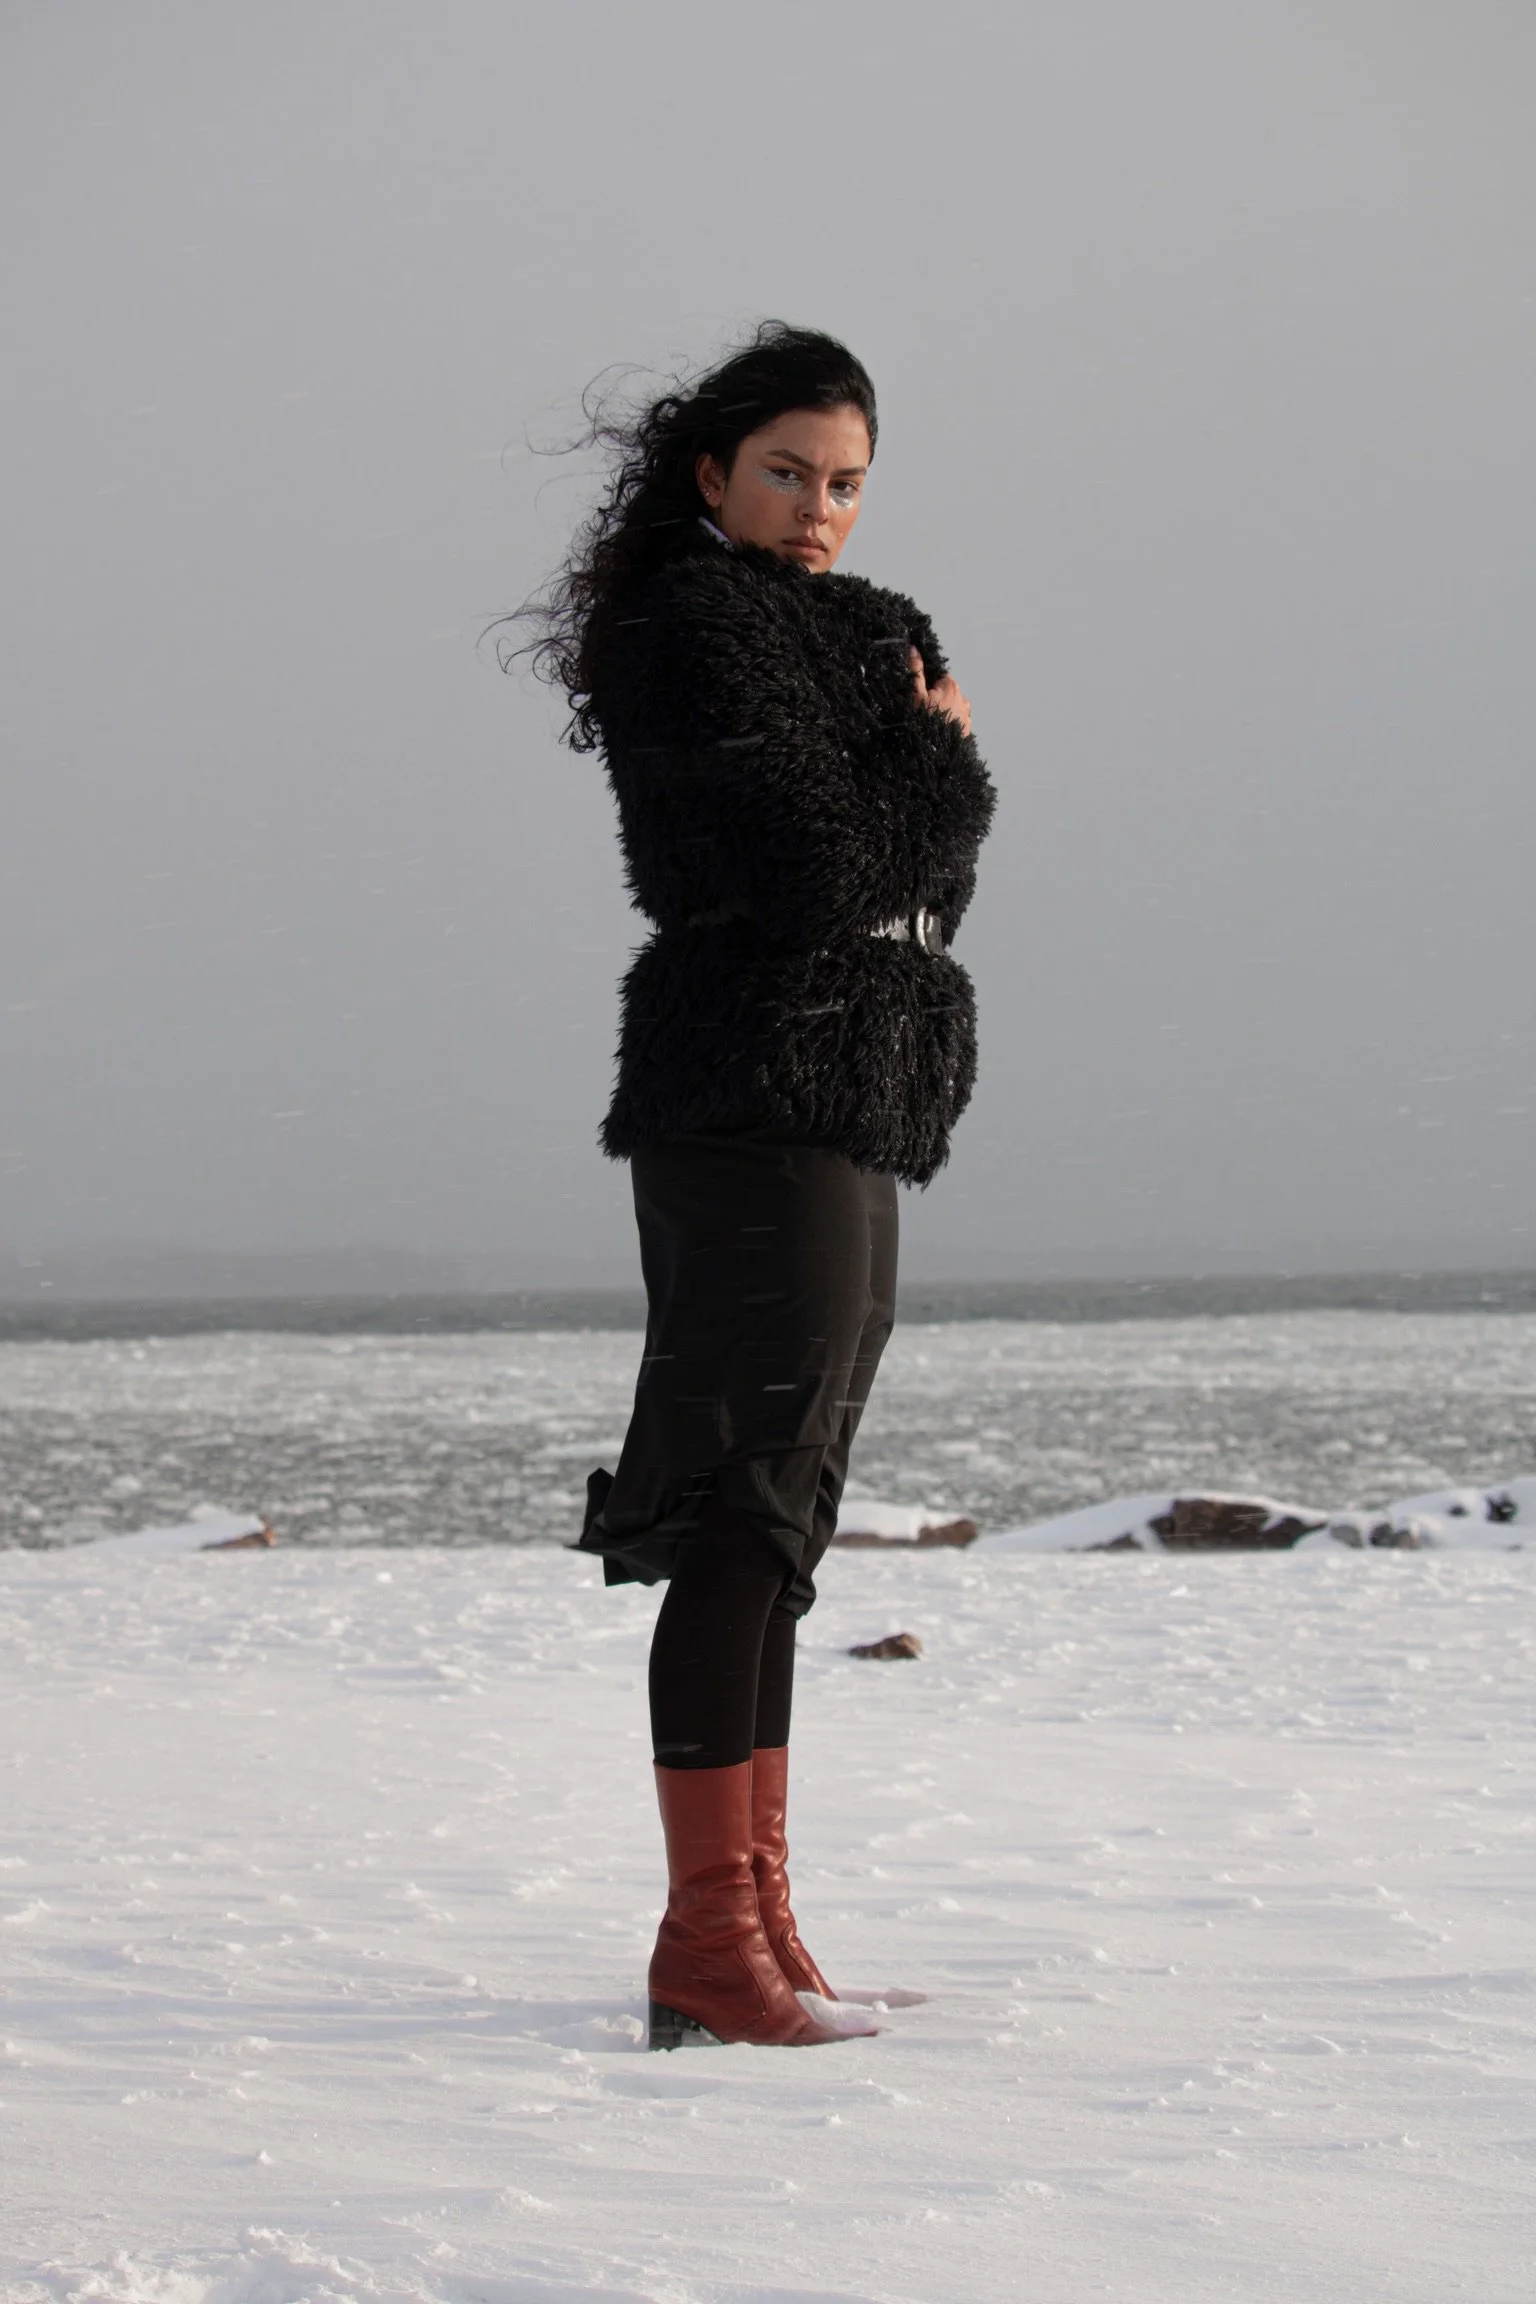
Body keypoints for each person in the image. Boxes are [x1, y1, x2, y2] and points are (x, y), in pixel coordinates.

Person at [525, 322, 994, 2048]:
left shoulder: (869, 631)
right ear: (714, 471)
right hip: (746, 1079)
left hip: (851, 1078)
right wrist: (936, 763)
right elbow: (824, 865)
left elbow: (927, 886)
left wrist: (919, 799)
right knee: (744, 1505)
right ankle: (706, 1945)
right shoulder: (692, 624)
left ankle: (764, 1926)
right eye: (788, 473)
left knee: (788, 1513)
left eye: (848, 483)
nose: (819, 509)